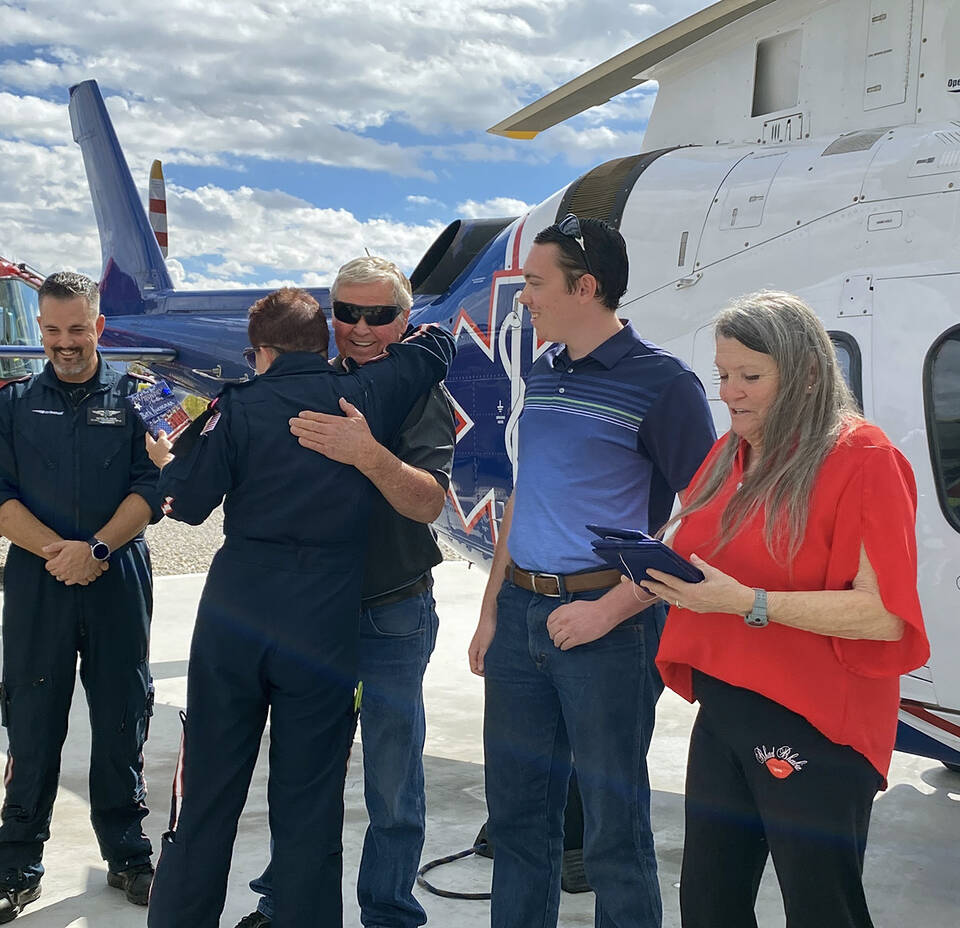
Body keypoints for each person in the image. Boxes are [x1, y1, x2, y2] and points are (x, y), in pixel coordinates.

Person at [145, 287, 454, 928]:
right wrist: (429, 339)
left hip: (237, 611)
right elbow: (428, 357)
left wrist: (167, 459)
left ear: (259, 352)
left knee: (206, 795)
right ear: (325, 342)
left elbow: (189, 503)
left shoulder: (239, 406)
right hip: (322, 618)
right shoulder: (365, 398)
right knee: (308, 804)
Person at [643, 291, 930, 928]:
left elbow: (883, 613)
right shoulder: (731, 453)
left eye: (750, 376)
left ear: (804, 373)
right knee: (708, 904)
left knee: (821, 906)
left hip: (814, 715)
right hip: (725, 705)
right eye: (723, 375)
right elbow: (694, 545)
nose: (730, 392)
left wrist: (749, 603)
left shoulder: (862, 458)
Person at [467, 215, 716, 928]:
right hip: (520, 618)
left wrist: (608, 611)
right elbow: (525, 495)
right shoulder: (543, 373)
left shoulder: (663, 384)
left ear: (587, 288)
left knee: (613, 834)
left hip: (609, 630)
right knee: (517, 824)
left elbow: (703, 524)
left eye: (537, 285)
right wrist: (492, 609)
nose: (525, 300)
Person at [236, 257, 456, 928]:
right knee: (303, 774)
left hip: (392, 607)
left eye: (379, 315)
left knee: (393, 780)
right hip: (308, 615)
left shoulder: (421, 393)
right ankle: (287, 905)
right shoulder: (305, 384)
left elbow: (427, 502)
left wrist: (367, 453)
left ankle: (389, 913)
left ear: (405, 321)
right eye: (348, 313)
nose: (361, 329)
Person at [0, 271, 164, 923]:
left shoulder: (141, 396)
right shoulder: (12, 403)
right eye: (52, 330)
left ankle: (129, 858)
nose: (65, 342)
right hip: (39, 582)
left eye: (77, 328)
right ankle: (17, 869)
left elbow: (153, 487)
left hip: (118, 580)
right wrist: (60, 552)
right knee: (32, 727)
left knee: (121, 722)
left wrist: (99, 549)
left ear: (99, 326)